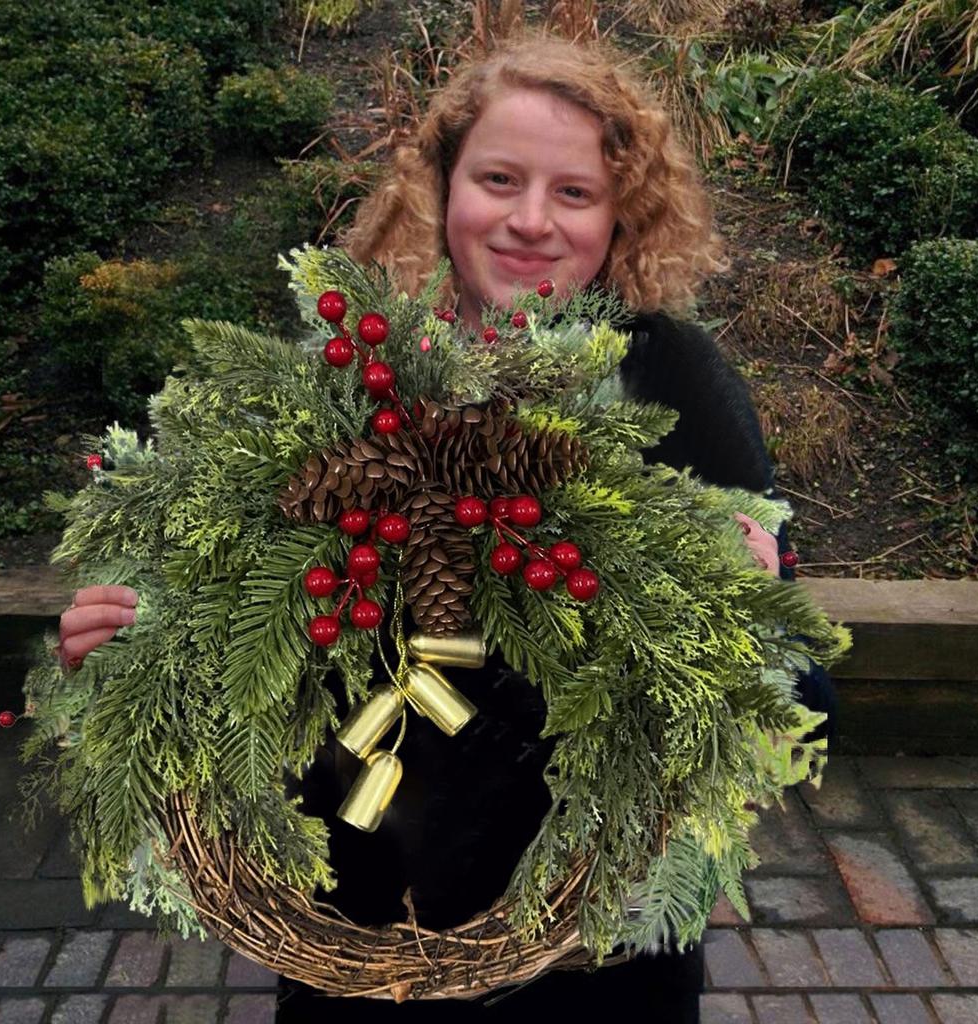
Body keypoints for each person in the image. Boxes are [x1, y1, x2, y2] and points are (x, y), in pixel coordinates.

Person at [57, 31, 837, 1022]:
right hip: (360, 930)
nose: (528, 221)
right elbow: (250, 632)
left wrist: (747, 636)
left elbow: (802, 707)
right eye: (498, 178)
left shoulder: (672, 383)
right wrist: (138, 643)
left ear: (620, 215)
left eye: (573, 192)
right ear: (439, 184)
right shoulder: (350, 374)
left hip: (591, 953)